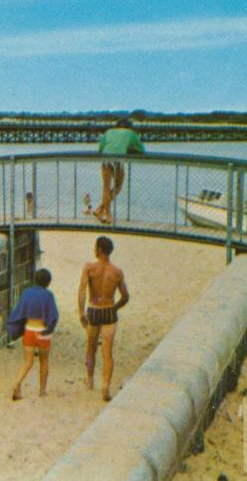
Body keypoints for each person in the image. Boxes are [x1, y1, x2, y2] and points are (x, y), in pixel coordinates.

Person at [78, 236, 129, 401]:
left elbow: (82, 291)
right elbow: (125, 296)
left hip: (93, 310)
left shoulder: (89, 268)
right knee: (107, 352)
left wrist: (81, 312)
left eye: (95, 247)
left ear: (99, 249)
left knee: (91, 347)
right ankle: (105, 386)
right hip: (109, 311)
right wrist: (115, 307)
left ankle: (90, 380)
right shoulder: (117, 272)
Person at [7, 268, 59, 400]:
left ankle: (17, 383)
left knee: (28, 362)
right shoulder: (48, 295)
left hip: (29, 330)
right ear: (48, 282)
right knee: (44, 361)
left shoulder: (27, 292)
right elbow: (54, 317)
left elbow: (19, 311)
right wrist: (48, 330)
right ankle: (42, 391)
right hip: (42, 332)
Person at [94, 118, 145, 225]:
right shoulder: (131, 133)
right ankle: (106, 215)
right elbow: (141, 150)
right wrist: (128, 149)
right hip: (118, 160)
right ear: (129, 127)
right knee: (118, 186)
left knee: (106, 187)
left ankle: (101, 211)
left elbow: (100, 148)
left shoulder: (109, 131)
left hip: (105, 159)